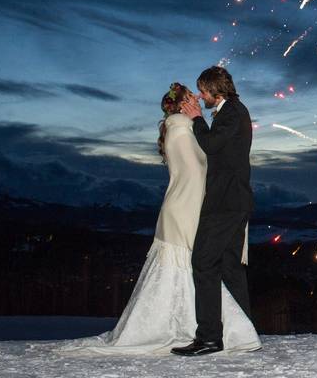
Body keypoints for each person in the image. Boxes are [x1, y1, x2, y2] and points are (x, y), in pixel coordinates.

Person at [57, 82, 259, 356]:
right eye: (191, 97)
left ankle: (208, 331)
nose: (197, 100)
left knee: (199, 267)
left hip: (185, 206)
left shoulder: (179, 127)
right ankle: (201, 332)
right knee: (198, 265)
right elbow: (197, 172)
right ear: (181, 105)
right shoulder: (181, 127)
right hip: (186, 207)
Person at [171, 66, 256, 357]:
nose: (199, 96)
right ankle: (244, 334)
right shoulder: (232, 110)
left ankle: (208, 338)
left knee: (203, 262)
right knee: (230, 268)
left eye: (202, 91)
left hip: (225, 203)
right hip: (233, 201)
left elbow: (210, 144)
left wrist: (195, 118)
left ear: (214, 91)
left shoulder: (231, 111)